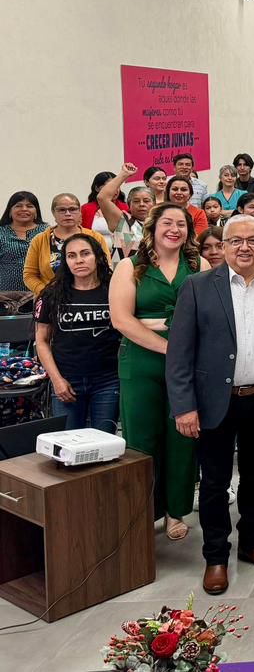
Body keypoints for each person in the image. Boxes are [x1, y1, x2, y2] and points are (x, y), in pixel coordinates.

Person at [167, 214, 254, 596]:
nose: (244, 247)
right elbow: (179, 354)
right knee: (214, 483)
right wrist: (184, 406)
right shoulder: (197, 287)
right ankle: (215, 556)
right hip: (213, 403)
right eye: (235, 241)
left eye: (252, 240)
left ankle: (252, 543)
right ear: (223, 246)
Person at [110, 204, 208, 540]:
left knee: (183, 436)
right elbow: (122, 319)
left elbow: (209, 315)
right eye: (167, 222)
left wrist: (169, 337)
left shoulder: (199, 265)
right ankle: (142, 512)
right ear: (152, 228)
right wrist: (170, 347)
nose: (174, 229)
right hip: (141, 362)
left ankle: (174, 511)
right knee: (141, 439)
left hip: (189, 362)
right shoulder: (130, 266)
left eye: (181, 224)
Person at [33, 233, 120, 432]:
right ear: (65, 261)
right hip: (66, 379)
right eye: (71, 256)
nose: (79, 260)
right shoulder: (51, 294)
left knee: (104, 442)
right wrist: (56, 380)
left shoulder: (115, 289)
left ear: (98, 256)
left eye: (85, 253)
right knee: (68, 444)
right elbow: (42, 340)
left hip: (107, 380)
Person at [24, 194, 110, 295]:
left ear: (80, 212)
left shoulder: (96, 237)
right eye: (62, 210)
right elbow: (29, 275)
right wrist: (46, 292)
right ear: (53, 213)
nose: (68, 214)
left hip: (90, 296)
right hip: (50, 298)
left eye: (73, 209)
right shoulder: (39, 240)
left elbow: (106, 268)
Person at [0, 191, 46, 291]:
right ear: (10, 211)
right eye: (18, 206)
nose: (24, 209)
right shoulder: (1, 232)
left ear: (36, 211)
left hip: (40, 292)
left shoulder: (47, 232)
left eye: (29, 206)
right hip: (5, 294)